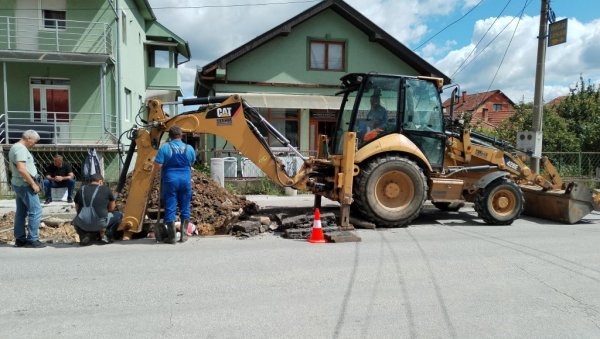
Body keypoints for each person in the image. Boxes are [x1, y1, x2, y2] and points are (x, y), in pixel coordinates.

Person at [153, 125, 196, 244]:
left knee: (170, 207)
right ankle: (184, 235)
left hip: (170, 180)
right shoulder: (189, 148)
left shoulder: (165, 147)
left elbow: (158, 166)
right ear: (181, 135)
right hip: (185, 180)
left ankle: (172, 238)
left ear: (169, 136)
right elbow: (191, 162)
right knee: (185, 207)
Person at [8, 130, 45, 248]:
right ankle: (32, 240)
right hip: (25, 185)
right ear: (28, 138)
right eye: (34, 141)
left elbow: (10, 167)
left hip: (18, 183)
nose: (34, 144)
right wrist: (33, 183)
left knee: (21, 212)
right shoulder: (21, 149)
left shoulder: (14, 147)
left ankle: (20, 239)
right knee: (36, 211)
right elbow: (22, 169)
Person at [72, 173, 123, 246]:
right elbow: (112, 208)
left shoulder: (81, 189)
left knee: (76, 220)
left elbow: (77, 208)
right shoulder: (106, 189)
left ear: (90, 181)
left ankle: (84, 235)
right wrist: (104, 211)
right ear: (100, 181)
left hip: (82, 223)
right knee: (119, 215)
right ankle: (107, 235)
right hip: (100, 223)